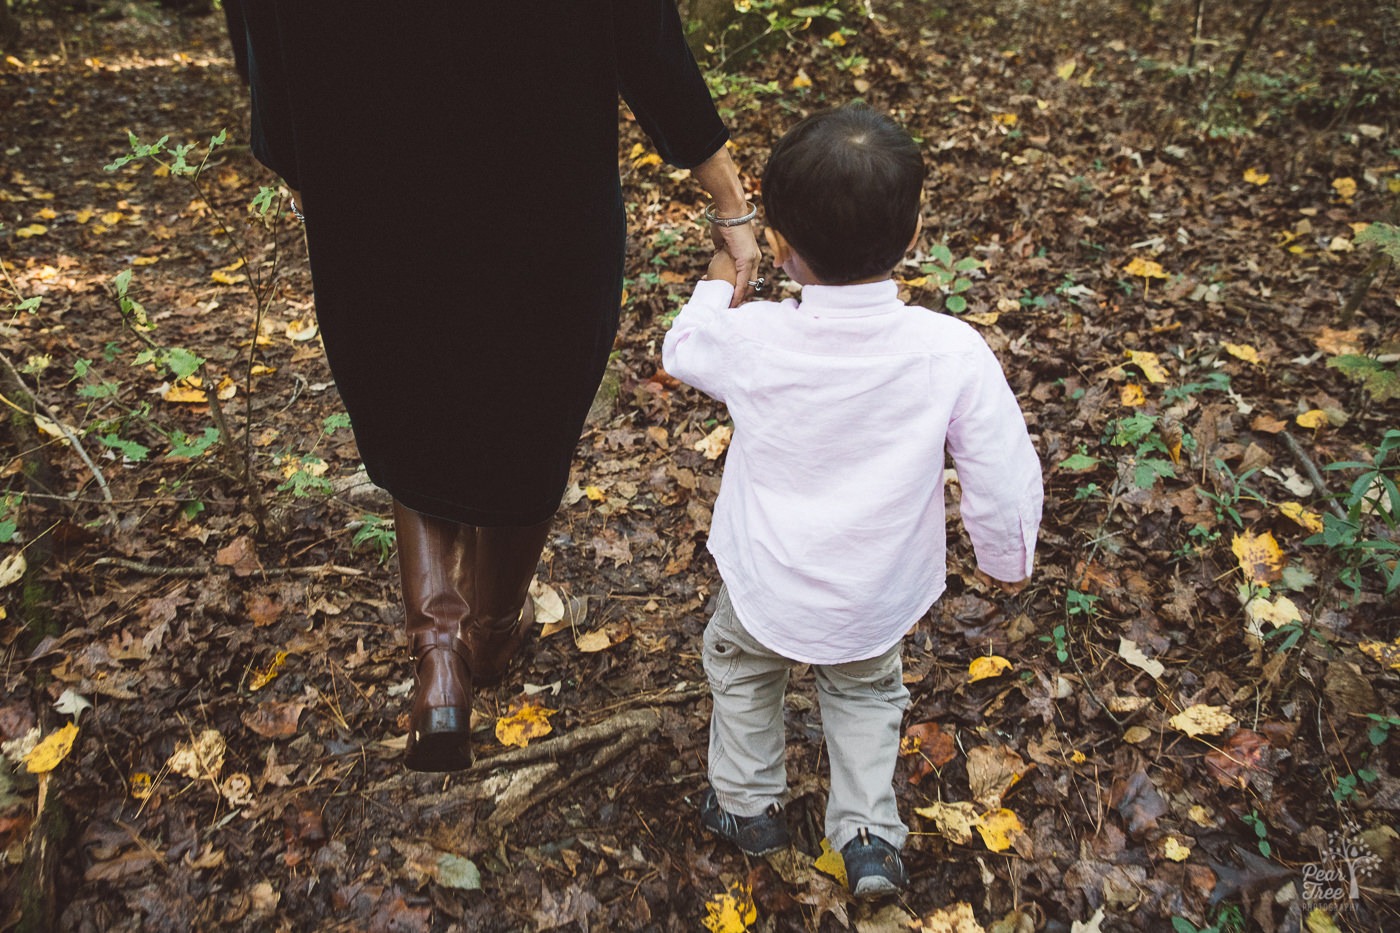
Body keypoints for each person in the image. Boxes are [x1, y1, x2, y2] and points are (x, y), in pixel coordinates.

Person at [226, 2, 762, 772]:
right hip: (544, 179)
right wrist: (726, 195)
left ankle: (440, 662)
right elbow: (641, 26)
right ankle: (490, 633)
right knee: (531, 402)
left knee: (408, 388)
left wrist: (302, 158)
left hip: (368, 177)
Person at [661, 104, 1043, 898]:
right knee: (866, 691)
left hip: (766, 581)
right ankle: (868, 833)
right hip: (875, 589)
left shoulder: (758, 336)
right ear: (911, 237)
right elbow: (1003, 467)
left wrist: (721, 274)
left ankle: (747, 803)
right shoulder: (948, 350)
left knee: (740, 669)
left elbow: (683, 348)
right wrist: (1007, 557)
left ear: (779, 244)